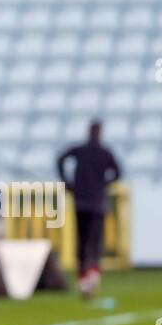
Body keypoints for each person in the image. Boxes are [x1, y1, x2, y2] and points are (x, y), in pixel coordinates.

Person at [58, 120, 122, 298]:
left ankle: (83, 278)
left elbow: (61, 158)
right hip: (97, 203)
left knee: (82, 241)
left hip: (81, 202)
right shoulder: (105, 153)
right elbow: (118, 172)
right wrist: (104, 184)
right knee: (94, 242)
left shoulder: (80, 150)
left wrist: (66, 181)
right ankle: (92, 277)